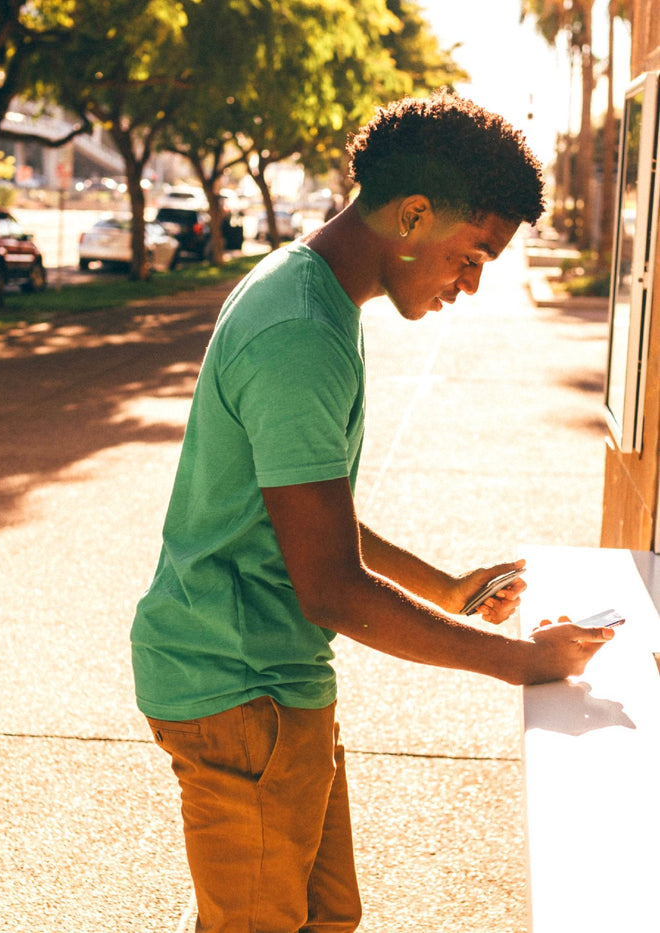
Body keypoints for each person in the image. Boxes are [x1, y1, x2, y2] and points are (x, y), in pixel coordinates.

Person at [130, 90, 614, 933]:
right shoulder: (300, 331)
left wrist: (449, 586)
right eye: (472, 256)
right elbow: (331, 588)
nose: (468, 286)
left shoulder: (317, 297)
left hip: (275, 687)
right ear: (414, 214)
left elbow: (308, 514)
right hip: (237, 689)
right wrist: (522, 661)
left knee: (326, 918)